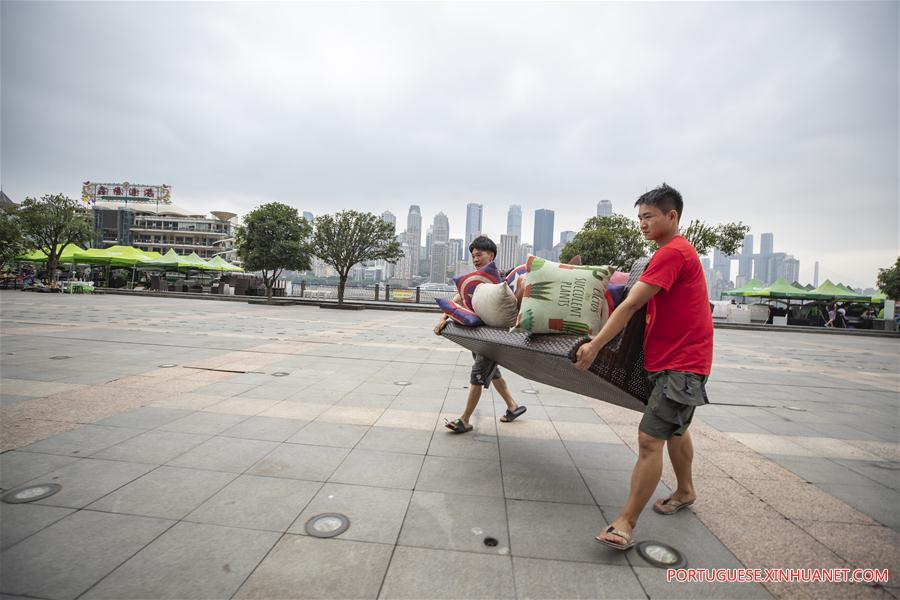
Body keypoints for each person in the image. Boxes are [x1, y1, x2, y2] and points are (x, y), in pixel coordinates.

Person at [575, 183, 713, 551]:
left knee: (650, 439)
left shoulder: (672, 253)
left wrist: (595, 346)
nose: (642, 223)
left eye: (648, 216)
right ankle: (685, 491)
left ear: (672, 216)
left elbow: (631, 305)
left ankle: (625, 523)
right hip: (677, 361)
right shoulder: (675, 253)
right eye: (639, 217)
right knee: (676, 430)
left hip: (681, 365)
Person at [434, 235, 526, 433]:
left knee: (477, 373)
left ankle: (464, 419)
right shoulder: (476, 281)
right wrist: (443, 319)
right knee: (492, 373)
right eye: (473, 256)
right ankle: (513, 405)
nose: (475, 259)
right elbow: (458, 298)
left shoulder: (500, 279)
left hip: (494, 338)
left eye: (479, 255)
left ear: (491, 255)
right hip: (480, 335)